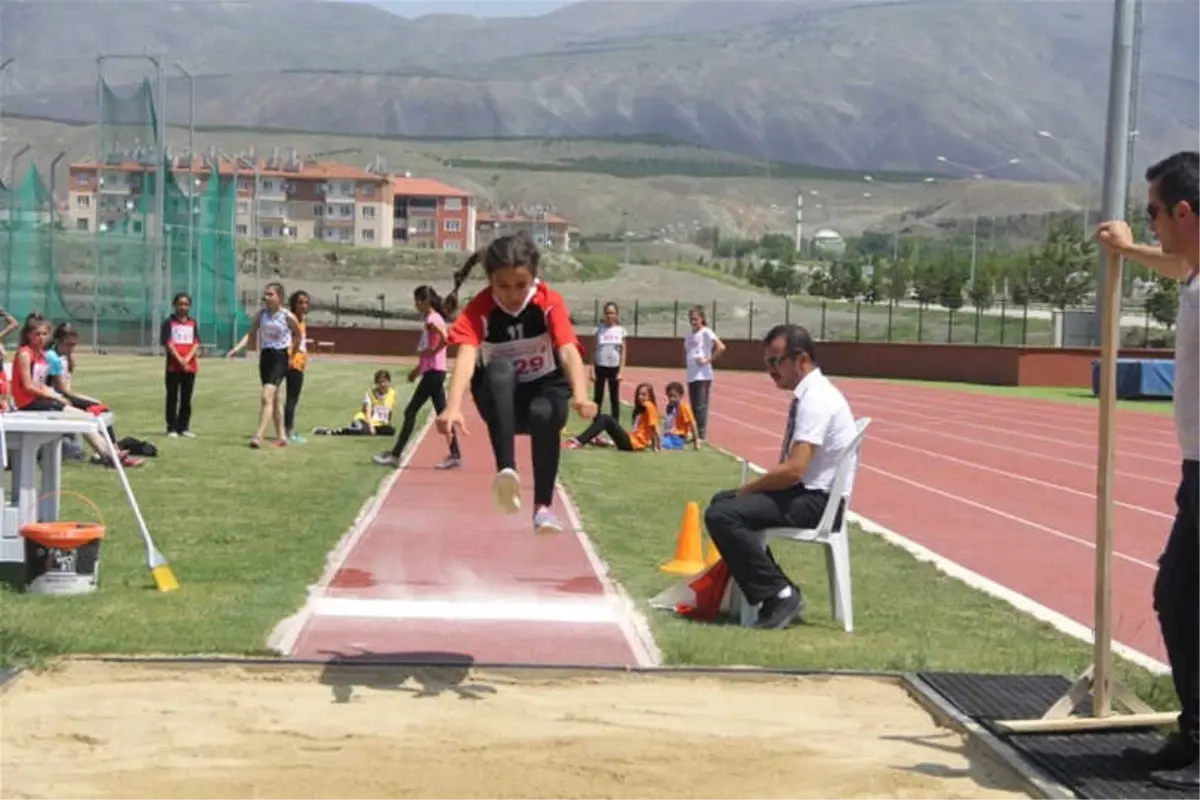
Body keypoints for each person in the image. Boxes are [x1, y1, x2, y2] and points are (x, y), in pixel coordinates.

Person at [1098, 151, 1200, 791]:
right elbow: (1175, 263)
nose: (1152, 223)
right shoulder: (1195, 273)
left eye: (1156, 213)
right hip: (1198, 467)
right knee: (1180, 598)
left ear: (1185, 211)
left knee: (1180, 597)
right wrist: (1130, 250)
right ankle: (1195, 733)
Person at [436, 231, 596, 535]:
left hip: (544, 390)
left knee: (544, 412)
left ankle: (542, 509)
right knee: (499, 369)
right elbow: (467, 355)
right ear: (490, 281)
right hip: (500, 401)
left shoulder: (548, 302)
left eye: (521, 285)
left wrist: (580, 394)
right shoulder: (480, 308)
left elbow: (567, 349)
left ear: (533, 278)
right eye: (503, 286)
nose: (512, 294)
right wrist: (453, 406)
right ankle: (506, 471)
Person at [702, 324, 856, 630]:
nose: (771, 370)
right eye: (767, 364)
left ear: (801, 360)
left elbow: (794, 469)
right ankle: (773, 589)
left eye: (776, 362)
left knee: (723, 514)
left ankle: (780, 593)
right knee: (723, 504)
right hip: (808, 494)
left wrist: (749, 489)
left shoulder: (817, 399)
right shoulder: (811, 393)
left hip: (818, 502)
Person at [11, 314, 126, 467]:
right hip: (28, 403)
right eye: (36, 334)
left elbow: (41, 384)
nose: (41, 338)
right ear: (28, 335)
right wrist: (57, 397)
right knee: (82, 417)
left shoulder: (41, 355)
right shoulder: (25, 354)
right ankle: (108, 454)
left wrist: (53, 395)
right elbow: (28, 386)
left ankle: (109, 453)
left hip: (41, 400)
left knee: (87, 416)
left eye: (44, 334)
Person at [373, 285, 461, 469]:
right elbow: (430, 352)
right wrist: (417, 370)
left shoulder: (432, 319)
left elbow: (445, 338)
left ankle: (396, 455)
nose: (415, 305)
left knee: (410, 411)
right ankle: (455, 455)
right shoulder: (432, 318)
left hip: (434, 373)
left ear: (425, 301)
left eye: (417, 301)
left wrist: (434, 351)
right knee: (442, 415)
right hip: (434, 371)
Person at [226, 281, 304, 449]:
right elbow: (251, 333)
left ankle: (258, 436)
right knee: (275, 399)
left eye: (270, 294)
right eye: (265, 294)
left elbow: (298, 335)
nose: (266, 297)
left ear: (279, 297)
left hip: (280, 357)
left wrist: (292, 352)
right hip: (266, 357)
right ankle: (282, 436)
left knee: (266, 396)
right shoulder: (262, 314)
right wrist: (236, 349)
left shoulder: (286, 316)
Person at [564, 382, 660, 452]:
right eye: (639, 394)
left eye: (644, 395)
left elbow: (654, 428)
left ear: (650, 396)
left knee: (606, 419)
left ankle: (579, 441)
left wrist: (657, 446)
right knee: (606, 420)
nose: (640, 397)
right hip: (631, 441)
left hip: (633, 444)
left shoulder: (649, 406)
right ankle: (592, 439)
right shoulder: (641, 409)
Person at [683, 305, 724, 442]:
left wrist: (708, 360)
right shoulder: (689, 336)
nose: (693, 322)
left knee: (701, 406)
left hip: (703, 375)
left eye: (696, 319)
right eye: (691, 319)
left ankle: (701, 435)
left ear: (702, 319)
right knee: (694, 406)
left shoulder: (706, 332)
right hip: (691, 374)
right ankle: (695, 433)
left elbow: (721, 347)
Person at [314, 370, 399, 437]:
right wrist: (371, 427)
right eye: (380, 382)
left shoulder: (392, 393)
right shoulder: (370, 394)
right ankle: (333, 431)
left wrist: (388, 423)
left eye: (385, 381)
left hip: (379, 423)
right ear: (376, 383)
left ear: (389, 382)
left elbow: (390, 411)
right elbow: (367, 413)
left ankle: (364, 430)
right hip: (364, 420)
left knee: (391, 431)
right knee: (364, 431)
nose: (383, 385)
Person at [161, 292, 200, 438]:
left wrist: (188, 358)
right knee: (172, 397)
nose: (183, 307)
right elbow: (168, 343)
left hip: (189, 367)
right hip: (173, 366)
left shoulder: (193, 323)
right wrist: (179, 359)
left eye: (186, 304)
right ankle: (172, 427)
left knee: (186, 397)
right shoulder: (169, 322)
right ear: (175, 305)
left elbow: (196, 343)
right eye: (180, 304)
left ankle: (184, 427)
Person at [589, 301, 627, 423]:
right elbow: (593, 350)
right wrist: (591, 370)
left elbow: (623, 352)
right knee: (597, 398)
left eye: (612, 313)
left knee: (614, 398)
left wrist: (621, 371)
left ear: (616, 315)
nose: (610, 315)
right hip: (600, 366)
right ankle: (595, 426)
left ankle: (615, 427)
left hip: (614, 368)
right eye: (607, 313)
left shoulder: (621, 331)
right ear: (604, 314)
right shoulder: (598, 330)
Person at [283, 289, 310, 444]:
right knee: (291, 399)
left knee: (292, 399)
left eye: (306, 302)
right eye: (300, 302)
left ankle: (286, 430)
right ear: (293, 304)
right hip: (292, 363)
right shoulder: (292, 320)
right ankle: (289, 431)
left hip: (298, 363)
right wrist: (290, 357)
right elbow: (292, 341)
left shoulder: (301, 320)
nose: (303, 306)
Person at [662, 381, 700, 450]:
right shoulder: (669, 407)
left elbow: (692, 422)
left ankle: (682, 443)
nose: (671, 399)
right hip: (670, 434)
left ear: (680, 396)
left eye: (674, 396)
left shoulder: (684, 406)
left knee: (663, 444)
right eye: (669, 396)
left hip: (680, 436)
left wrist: (696, 440)